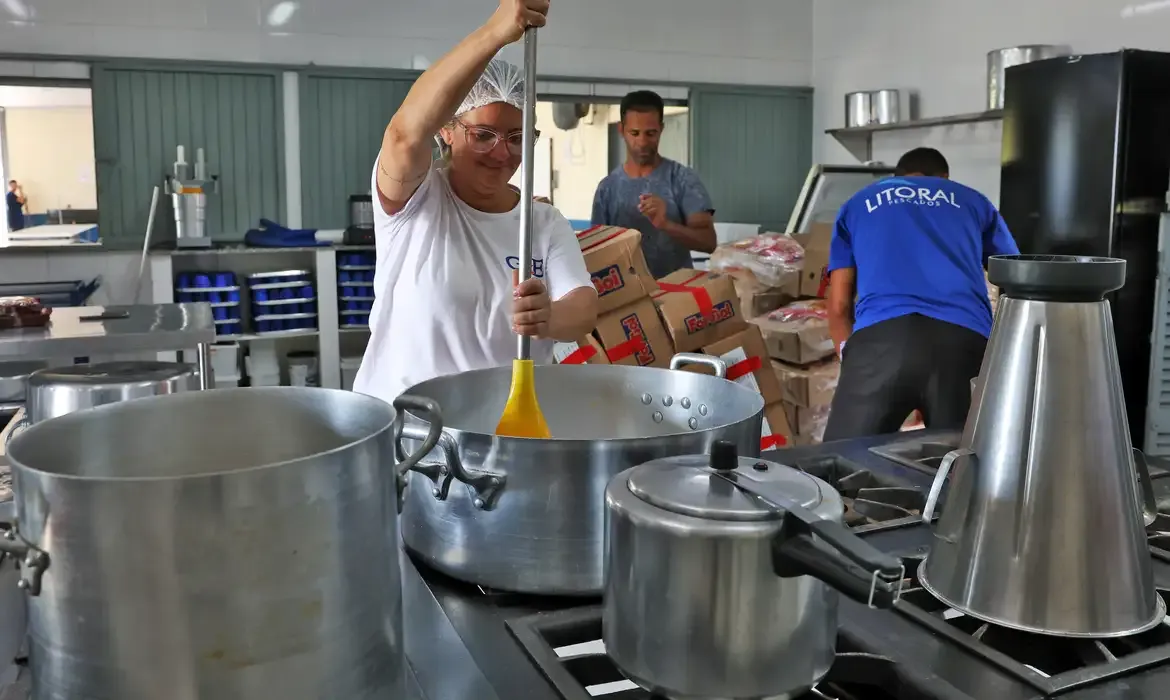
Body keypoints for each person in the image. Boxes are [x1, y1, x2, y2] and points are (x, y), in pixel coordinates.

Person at [352, 0, 598, 405]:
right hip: (410, 427)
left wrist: (550, 317)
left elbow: (583, 307)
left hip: (502, 429)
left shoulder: (542, 222)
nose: (502, 153)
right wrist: (496, 32)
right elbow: (403, 136)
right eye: (483, 135)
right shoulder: (417, 200)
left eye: (517, 138)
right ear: (447, 131)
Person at [822, 147, 1020, 440]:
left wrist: (855, 365)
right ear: (944, 177)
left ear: (896, 176)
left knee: (839, 459)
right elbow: (1014, 276)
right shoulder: (974, 200)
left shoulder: (859, 202)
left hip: (880, 341)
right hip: (963, 342)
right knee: (963, 459)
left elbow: (839, 306)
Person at [590, 90, 716, 279]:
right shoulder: (607, 189)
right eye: (634, 133)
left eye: (651, 133)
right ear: (621, 130)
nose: (642, 142)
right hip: (627, 294)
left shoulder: (683, 179)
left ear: (661, 129)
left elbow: (709, 242)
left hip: (677, 293)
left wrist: (666, 224)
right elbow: (595, 254)